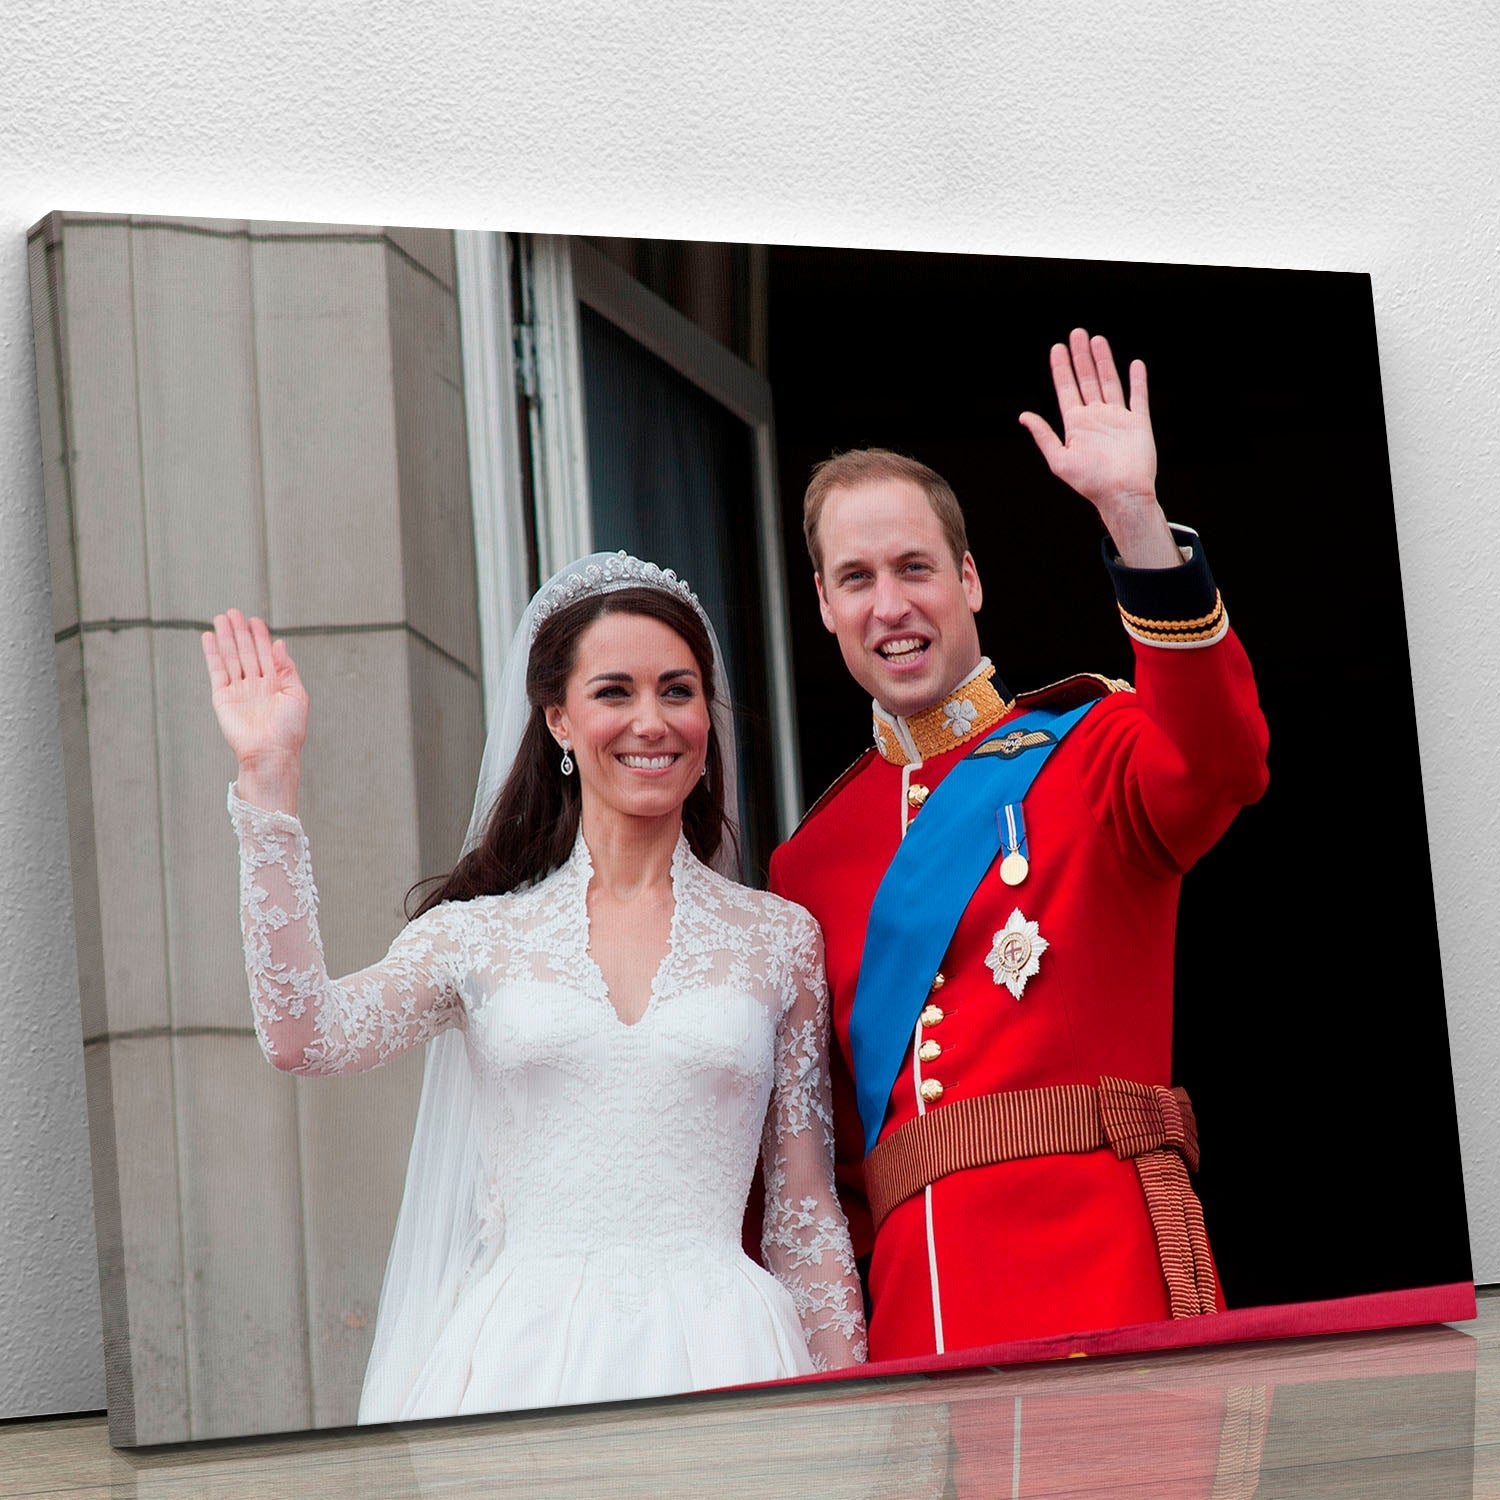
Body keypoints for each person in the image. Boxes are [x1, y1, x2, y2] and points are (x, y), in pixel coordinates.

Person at [203, 552, 866, 1423]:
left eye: (677, 690)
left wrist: (857, 1412)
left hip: (731, 1353)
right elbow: (304, 1035)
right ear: (557, 718)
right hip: (527, 1358)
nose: (651, 720)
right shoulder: (479, 934)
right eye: (614, 692)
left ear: (708, 716)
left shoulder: (780, 940)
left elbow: (803, 1210)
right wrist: (268, 778)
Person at [768, 329, 1271, 1362]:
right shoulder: (806, 864)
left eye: (915, 568)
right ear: (823, 607)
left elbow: (1224, 762)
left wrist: (1133, 516)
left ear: (970, 580)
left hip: (1101, 1277)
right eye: (855, 578)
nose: (890, 605)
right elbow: (826, 1167)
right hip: (922, 1320)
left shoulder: (1090, 750)